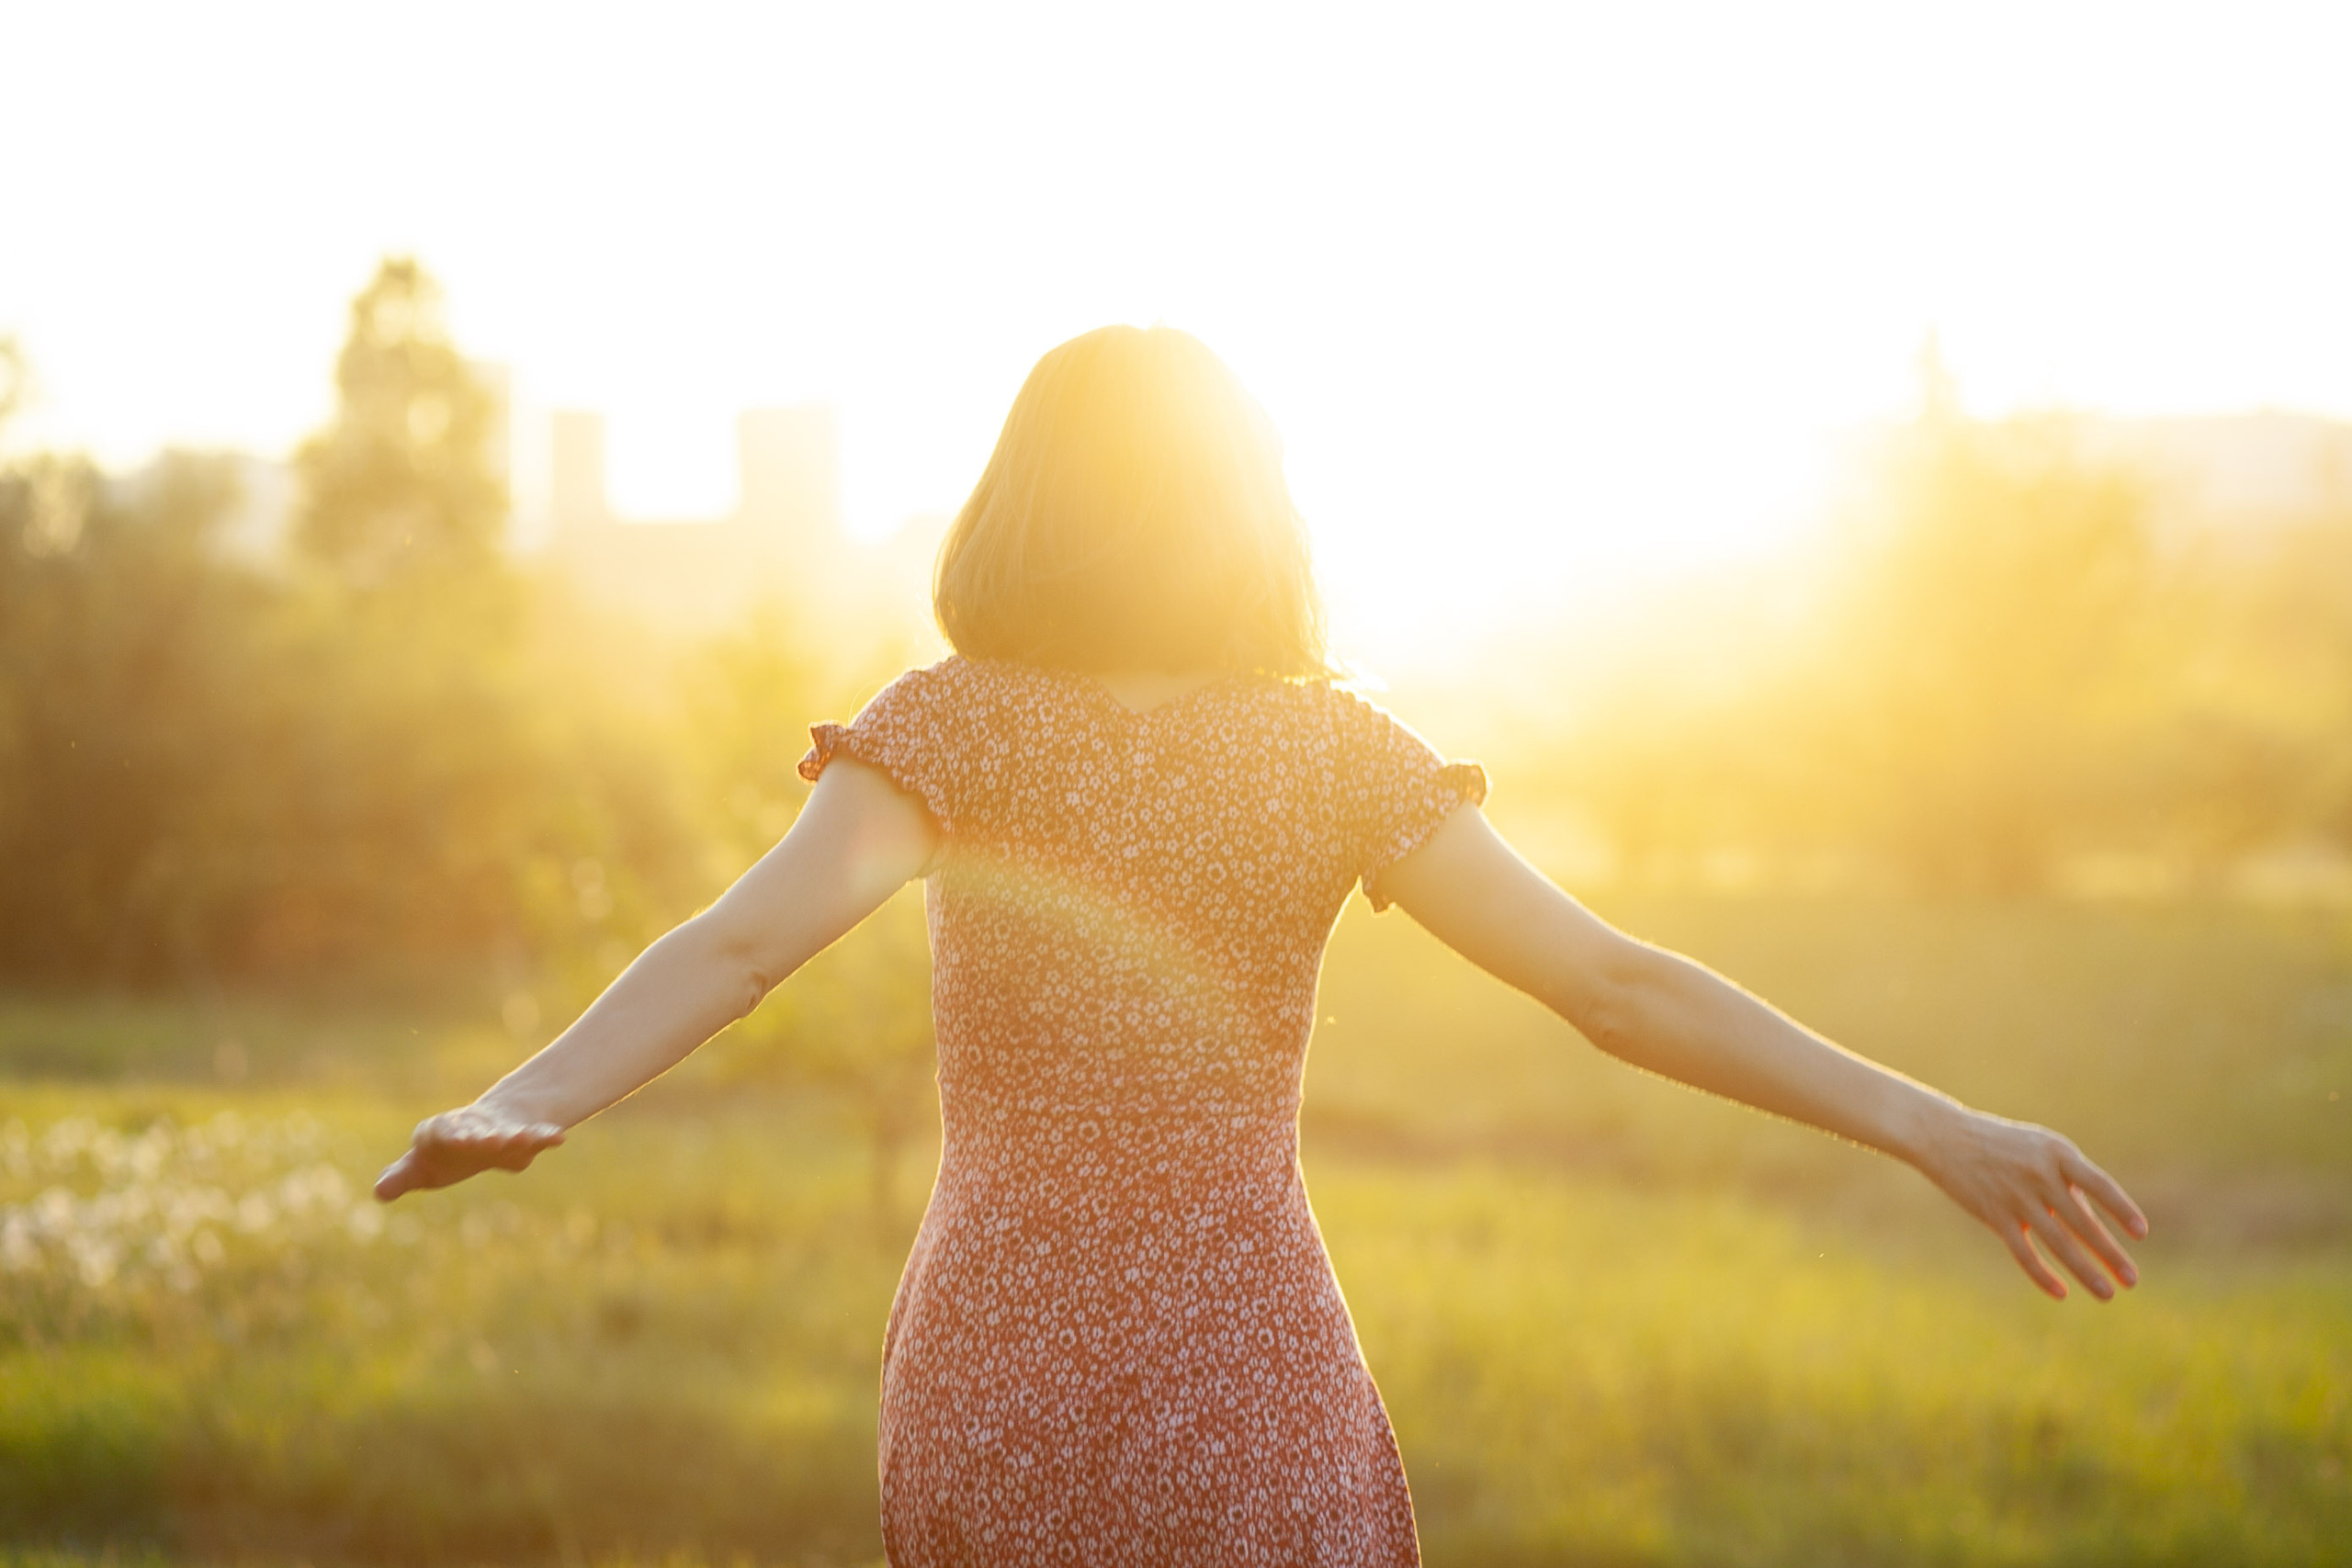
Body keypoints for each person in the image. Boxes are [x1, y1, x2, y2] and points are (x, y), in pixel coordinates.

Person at [376, 325, 2147, 1565]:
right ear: (1250, 507)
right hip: (1249, 1385)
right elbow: (1614, 985)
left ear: (1023, 500)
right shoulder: (1326, 753)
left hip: (1001, 1374)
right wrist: (1932, 1125)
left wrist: (531, 1094)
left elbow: (737, 945)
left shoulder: (953, 730)